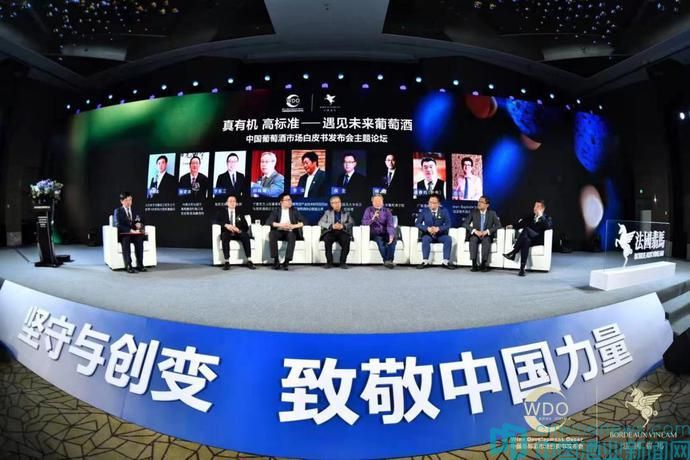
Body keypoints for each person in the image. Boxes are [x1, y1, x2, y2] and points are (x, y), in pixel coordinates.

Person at [503, 199, 552, 276]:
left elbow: (548, 226)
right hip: (530, 239)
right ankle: (522, 269)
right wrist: (512, 226)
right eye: (535, 206)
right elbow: (521, 224)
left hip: (538, 239)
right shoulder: (531, 217)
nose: (535, 208)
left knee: (526, 230)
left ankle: (514, 252)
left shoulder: (547, 218)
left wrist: (541, 216)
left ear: (542, 209)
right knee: (526, 240)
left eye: (538, 206)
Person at [215, 195, 256, 271]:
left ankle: (249, 260)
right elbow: (214, 221)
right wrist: (226, 225)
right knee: (224, 236)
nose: (232, 203)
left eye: (234, 201)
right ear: (227, 203)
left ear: (236, 203)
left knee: (245, 236)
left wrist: (239, 230)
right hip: (227, 232)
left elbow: (246, 226)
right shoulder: (222, 212)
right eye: (230, 201)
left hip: (238, 232)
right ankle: (227, 261)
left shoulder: (240, 212)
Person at [415, 194, 455, 269]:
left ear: (438, 204)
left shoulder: (444, 211)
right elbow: (417, 223)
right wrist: (427, 228)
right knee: (425, 239)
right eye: (430, 202)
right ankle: (425, 261)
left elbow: (448, 224)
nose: (431, 204)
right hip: (428, 234)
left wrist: (439, 228)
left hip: (440, 235)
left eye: (434, 203)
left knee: (448, 239)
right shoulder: (425, 211)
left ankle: (445, 262)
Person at [266, 193, 305, 270]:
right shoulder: (276, 211)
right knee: (272, 234)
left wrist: (293, 226)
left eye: (290, 200)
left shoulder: (294, 210)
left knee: (292, 235)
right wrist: (281, 225)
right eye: (287, 200)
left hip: (290, 232)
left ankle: (286, 262)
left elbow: (305, 221)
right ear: (281, 202)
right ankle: (276, 260)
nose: (290, 201)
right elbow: (269, 222)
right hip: (279, 231)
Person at [463, 195, 501, 272]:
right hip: (476, 234)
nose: (479, 203)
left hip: (486, 235)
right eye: (479, 201)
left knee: (486, 240)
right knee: (473, 240)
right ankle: (474, 264)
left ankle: (483, 264)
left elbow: (499, 225)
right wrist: (474, 231)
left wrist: (487, 231)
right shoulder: (474, 212)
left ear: (487, 205)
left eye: (481, 202)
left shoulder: (492, 213)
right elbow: (465, 224)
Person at [318, 195, 354, 269]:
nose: (337, 204)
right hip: (331, 232)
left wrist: (343, 226)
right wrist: (331, 226)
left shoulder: (346, 213)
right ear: (331, 204)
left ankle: (343, 262)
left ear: (341, 203)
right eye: (334, 203)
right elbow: (320, 222)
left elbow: (352, 223)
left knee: (346, 239)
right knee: (327, 239)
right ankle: (329, 262)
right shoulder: (327, 213)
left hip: (342, 232)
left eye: (338, 202)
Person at [362, 193, 397, 268]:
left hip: (385, 232)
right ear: (372, 202)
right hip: (374, 233)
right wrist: (372, 219)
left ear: (382, 201)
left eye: (379, 201)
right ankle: (387, 261)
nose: (378, 203)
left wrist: (391, 235)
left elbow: (390, 224)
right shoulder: (368, 210)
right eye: (376, 201)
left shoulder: (387, 211)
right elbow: (364, 222)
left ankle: (389, 260)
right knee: (380, 241)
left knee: (393, 238)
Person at [115, 192, 146, 274]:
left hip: (134, 234)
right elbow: (118, 225)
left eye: (130, 200)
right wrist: (130, 230)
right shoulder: (118, 211)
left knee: (139, 238)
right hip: (124, 234)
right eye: (126, 200)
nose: (129, 202)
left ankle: (140, 264)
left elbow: (141, 221)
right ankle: (128, 265)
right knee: (126, 239)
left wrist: (139, 225)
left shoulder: (135, 210)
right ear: (121, 201)